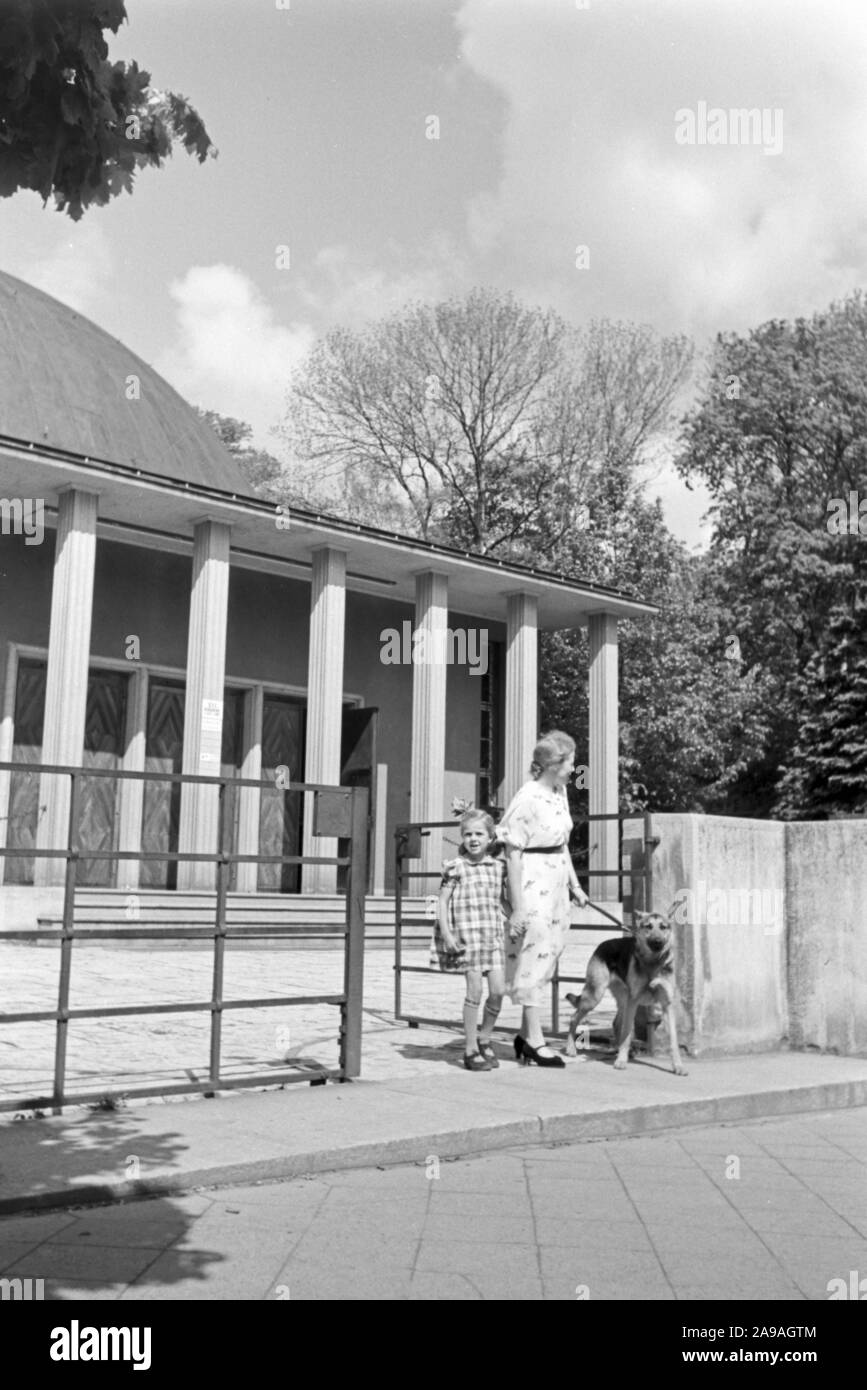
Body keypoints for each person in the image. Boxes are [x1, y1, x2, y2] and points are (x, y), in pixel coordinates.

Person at [498, 730, 589, 1067]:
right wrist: (519, 905)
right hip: (533, 880)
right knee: (532, 955)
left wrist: (575, 885)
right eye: (570, 762)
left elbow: (561, 842)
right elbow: (512, 853)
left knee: (549, 952)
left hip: (556, 883)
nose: (574, 768)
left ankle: (524, 1036)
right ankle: (535, 1040)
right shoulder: (528, 798)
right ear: (553, 764)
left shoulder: (559, 791)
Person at [429, 809, 508, 1071]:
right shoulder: (456, 867)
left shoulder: (499, 867)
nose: (473, 839)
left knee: (497, 991)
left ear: (490, 837)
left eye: (479, 833)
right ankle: (471, 1048)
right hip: (468, 937)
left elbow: (502, 901)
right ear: (462, 837)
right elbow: (442, 901)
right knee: (474, 991)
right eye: (468, 834)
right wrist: (447, 932)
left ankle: (485, 1037)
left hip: (492, 937)